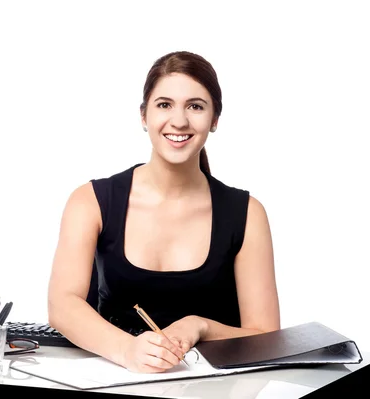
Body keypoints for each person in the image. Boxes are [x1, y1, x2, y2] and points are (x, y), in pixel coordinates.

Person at [47, 50, 280, 374]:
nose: (179, 120)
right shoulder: (90, 202)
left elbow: (267, 338)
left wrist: (201, 326)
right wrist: (128, 350)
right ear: (144, 116)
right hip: (116, 379)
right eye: (164, 104)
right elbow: (62, 305)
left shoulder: (248, 214)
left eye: (195, 106)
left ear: (214, 120)